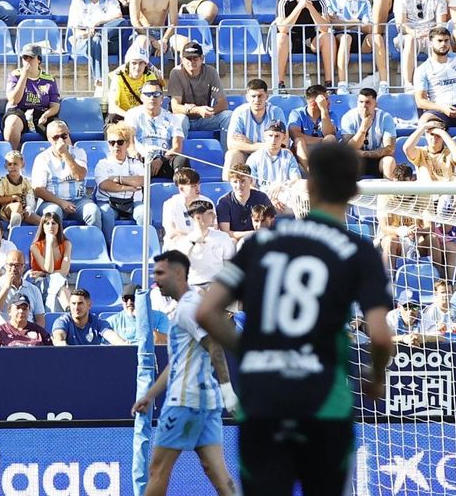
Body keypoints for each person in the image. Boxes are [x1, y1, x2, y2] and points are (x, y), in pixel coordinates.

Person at [197, 142, 391, 496]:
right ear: (353, 190)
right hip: (324, 401)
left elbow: (206, 311)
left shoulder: (263, 240)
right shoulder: (359, 251)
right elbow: (379, 335)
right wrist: (376, 380)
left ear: (309, 185)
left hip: (264, 399)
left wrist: (250, 350)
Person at [131, 249, 237, 496]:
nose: (155, 280)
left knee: (157, 470)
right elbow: (178, 362)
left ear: (179, 273)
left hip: (185, 401)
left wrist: (228, 391)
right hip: (206, 402)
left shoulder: (189, 308)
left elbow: (214, 345)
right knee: (218, 474)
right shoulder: (188, 307)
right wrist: (150, 395)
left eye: (160, 273)